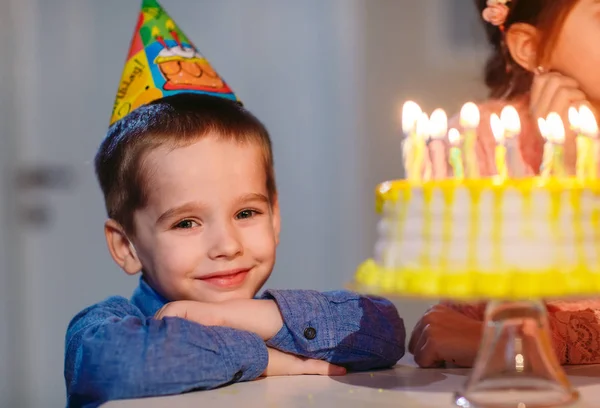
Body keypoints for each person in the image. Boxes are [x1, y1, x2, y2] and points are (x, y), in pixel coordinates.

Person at [64, 1, 405, 407]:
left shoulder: (278, 319)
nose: (227, 246)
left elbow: (384, 331)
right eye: (186, 223)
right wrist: (260, 357)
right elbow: (114, 366)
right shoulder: (105, 329)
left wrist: (240, 318)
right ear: (126, 246)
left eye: (246, 213)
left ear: (275, 217)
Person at [410, 0, 600, 368]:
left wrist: (517, 342)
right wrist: (563, 171)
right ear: (529, 47)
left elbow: (483, 335)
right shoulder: (474, 144)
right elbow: (471, 313)